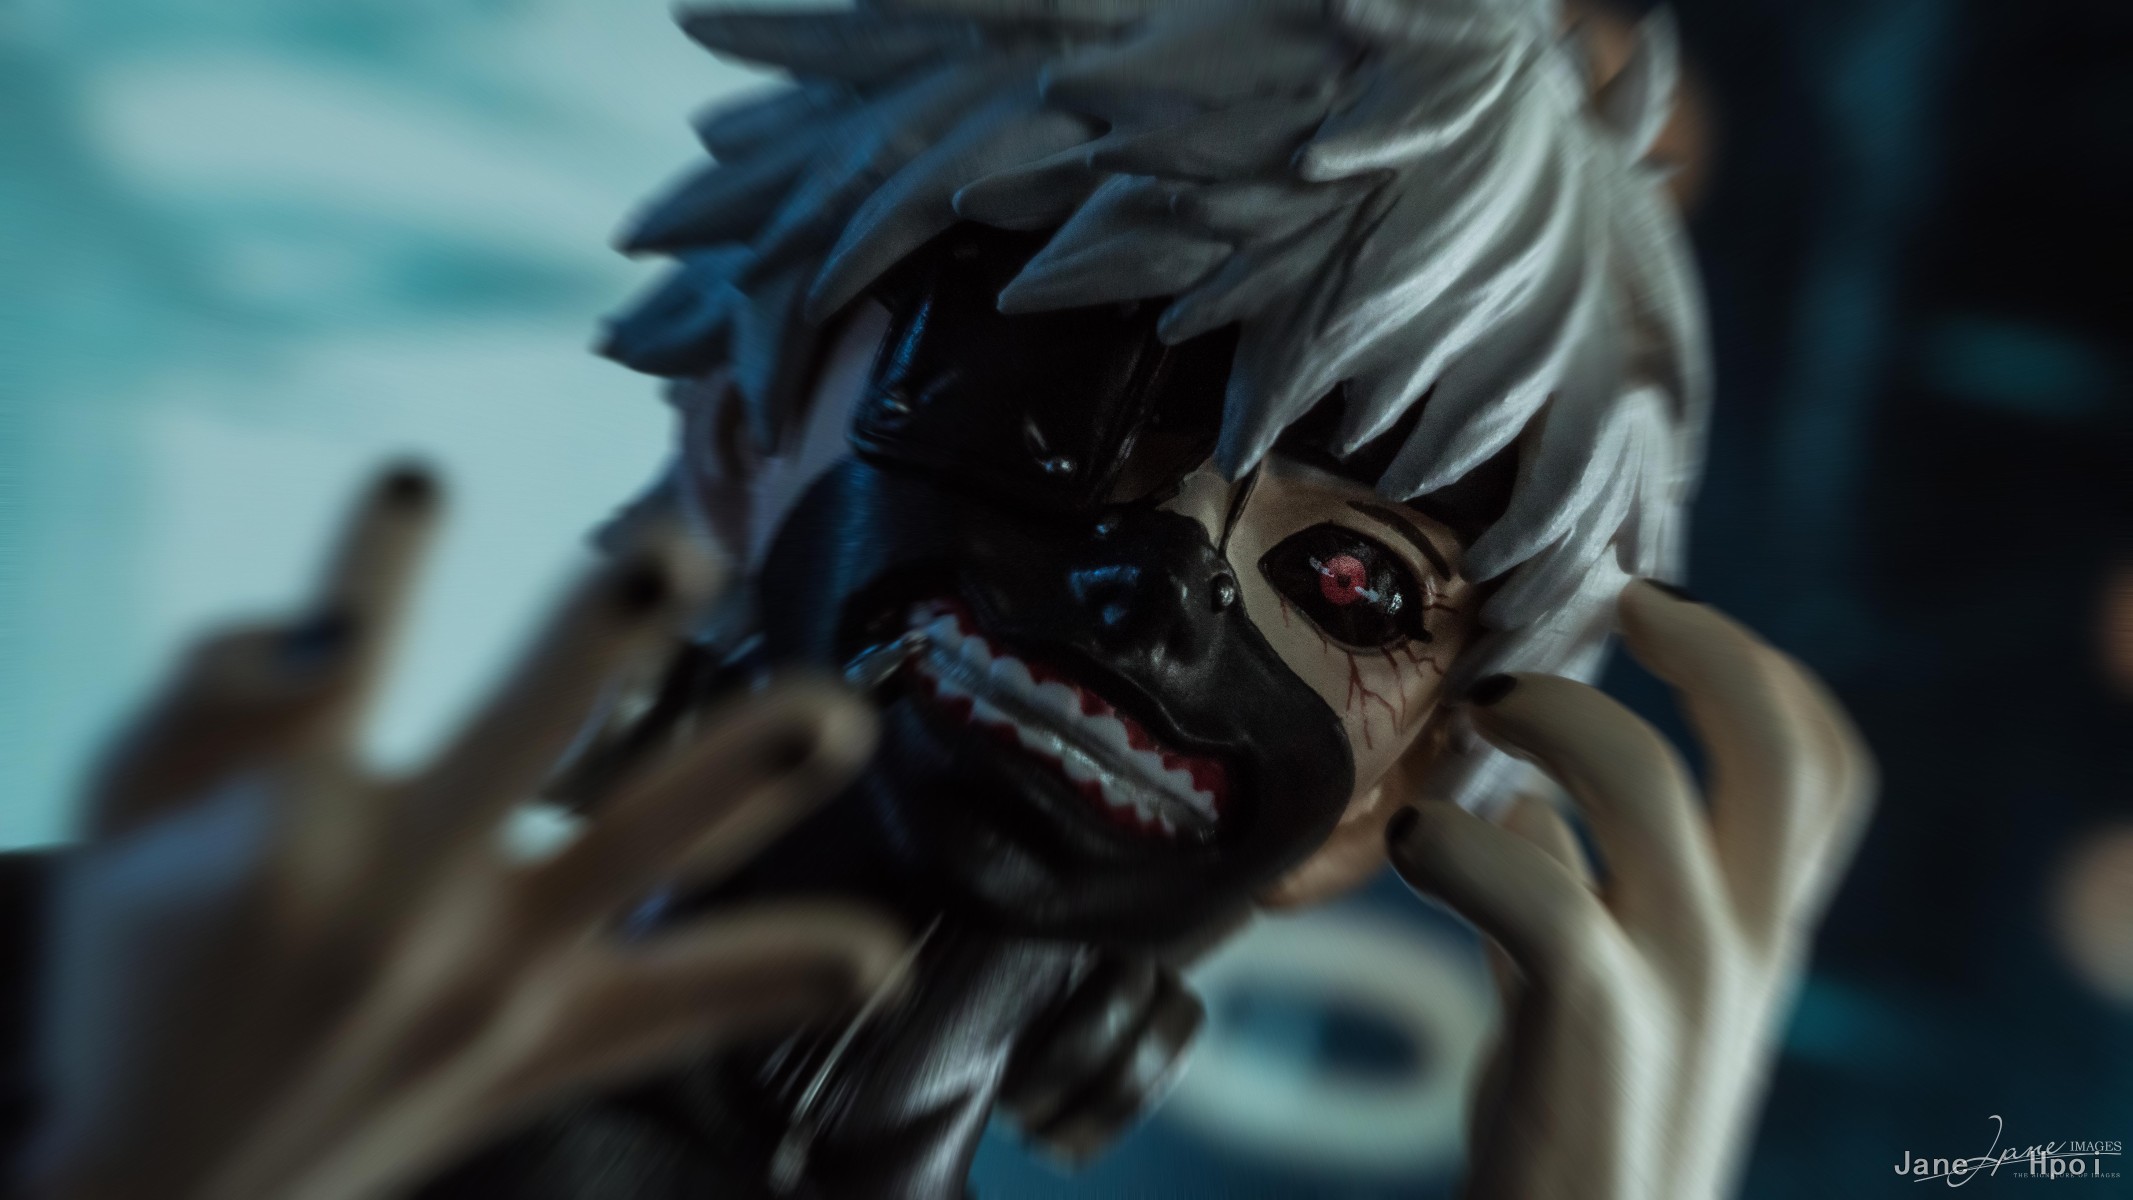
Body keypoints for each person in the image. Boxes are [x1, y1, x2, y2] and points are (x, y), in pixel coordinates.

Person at [6, 0, 1877, 1196]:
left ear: (1390, 800)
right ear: (744, 425)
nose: (1155, 590)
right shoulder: (95, 992)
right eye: (1050, 396)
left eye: (1351, 579)